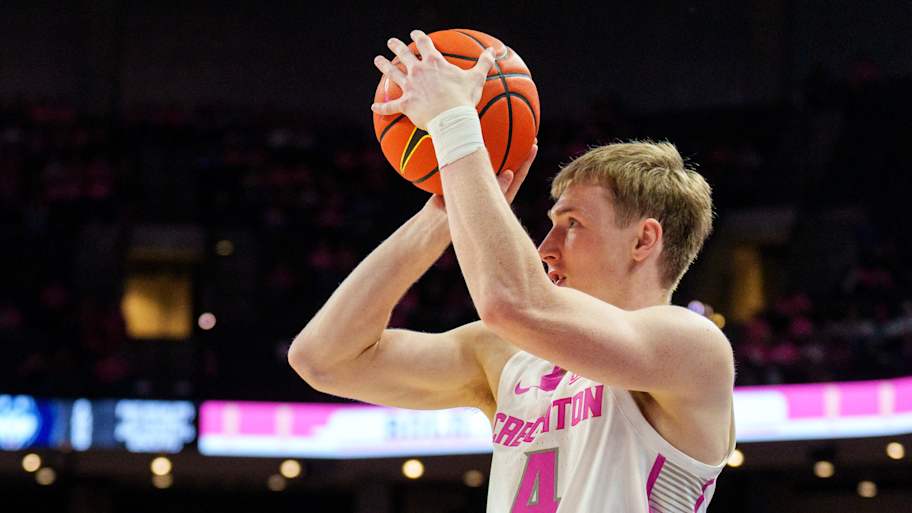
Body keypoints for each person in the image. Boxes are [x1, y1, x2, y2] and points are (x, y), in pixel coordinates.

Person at [288, 30, 735, 512]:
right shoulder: (506, 357)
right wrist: (442, 215)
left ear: (643, 240)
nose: (546, 248)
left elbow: (512, 302)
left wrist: (455, 124)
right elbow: (323, 359)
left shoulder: (690, 348)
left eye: (573, 225)